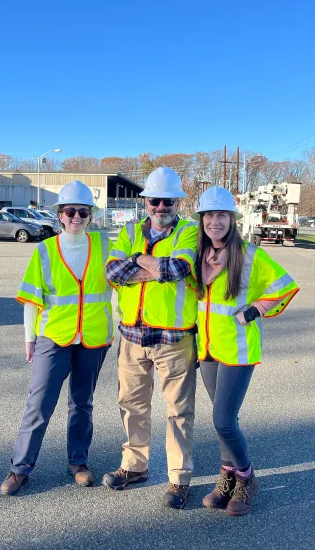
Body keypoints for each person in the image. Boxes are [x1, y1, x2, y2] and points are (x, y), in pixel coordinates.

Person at [0, 181, 113, 496]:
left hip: (93, 337)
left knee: (82, 403)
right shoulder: (45, 250)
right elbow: (31, 299)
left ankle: (78, 462)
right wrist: (30, 339)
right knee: (39, 403)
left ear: (90, 215)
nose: (77, 217)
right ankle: (20, 468)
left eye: (83, 211)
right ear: (60, 215)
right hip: (53, 337)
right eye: (70, 211)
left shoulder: (105, 245)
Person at [193, 186, 299, 517]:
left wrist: (255, 310)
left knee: (223, 421)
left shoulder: (250, 255)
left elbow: (285, 285)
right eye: (209, 215)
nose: (215, 221)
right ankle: (226, 477)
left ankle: (246, 477)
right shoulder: (198, 255)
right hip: (208, 348)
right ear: (202, 220)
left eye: (221, 215)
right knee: (224, 419)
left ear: (232, 220)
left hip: (238, 350)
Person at [102, 167, 199, 509]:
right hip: (132, 336)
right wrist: (155, 268)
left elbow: (178, 269)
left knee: (179, 411)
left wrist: (137, 260)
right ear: (146, 203)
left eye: (168, 201)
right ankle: (134, 466)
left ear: (177, 203)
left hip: (174, 339)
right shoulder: (129, 230)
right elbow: (113, 271)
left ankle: (179, 479)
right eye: (155, 201)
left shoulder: (190, 232)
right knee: (132, 405)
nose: (161, 207)